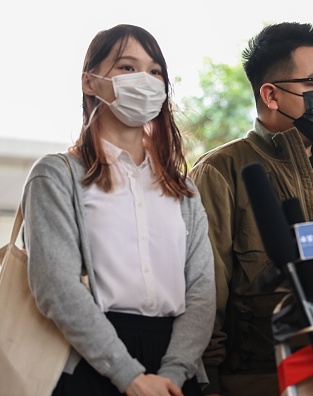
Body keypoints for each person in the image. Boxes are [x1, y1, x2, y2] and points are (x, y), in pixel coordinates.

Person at [21, 24, 215, 396]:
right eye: (127, 67)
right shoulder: (56, 175)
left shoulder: (183, 188)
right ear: (89, 82)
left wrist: (174, 372)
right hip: (88, 358)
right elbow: (55, 285)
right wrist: (129, 375)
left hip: (176, 360)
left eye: (155, 71)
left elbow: (202, 290)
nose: (145, 79)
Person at [189, 22, 313, 396]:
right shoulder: (221, 171)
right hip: (258, 379)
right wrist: (206, 382)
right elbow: (205, 292)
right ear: (270, 95)